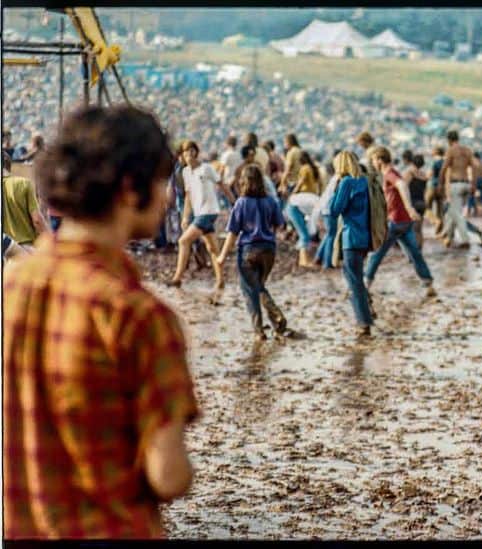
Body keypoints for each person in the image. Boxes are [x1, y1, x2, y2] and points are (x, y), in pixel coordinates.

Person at [3, 105, 198, 539]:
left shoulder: (14, 285)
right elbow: (168, 475)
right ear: (130, 188)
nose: (166, 198)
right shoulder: (140, 316)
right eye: (161, 182)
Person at [215, 164, 293, 341]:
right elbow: (279, 224)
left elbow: (233, 233)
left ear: (244, 181)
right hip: (269, 250)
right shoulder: (271, 201)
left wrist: (222, 256)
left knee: (251, 290)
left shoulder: (241, 203)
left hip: (248, 251)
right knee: (259, 286)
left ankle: (260, 330)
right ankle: (276, 322)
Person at [365, 146, 436, 297]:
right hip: (404, 223)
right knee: (414, 253)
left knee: (377, 253)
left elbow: (402, 186)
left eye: (373, 160)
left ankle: (365, 284)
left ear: (380, 159)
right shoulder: (393, 172)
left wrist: (409, 208)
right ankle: (428, 282)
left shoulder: (390, 173)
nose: (373, 163)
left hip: (394, 221)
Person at [167, 141, 225, 290]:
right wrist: (186, 216)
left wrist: (235, 202)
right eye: (186, 153)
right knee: (213, 249)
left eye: (192, 152)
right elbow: (188, 196)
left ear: (196, 153)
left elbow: (221, 184)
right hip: (199, 212)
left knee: (183, 241)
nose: (189, 155)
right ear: (182, 156)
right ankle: (220, 280)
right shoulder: (186, 172)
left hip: (209, 211)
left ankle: (177, 278)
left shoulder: (206, 168)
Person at [328, 151, 373, 339]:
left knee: (353, 281)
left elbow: (334, 209)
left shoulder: (346, 182)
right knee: (357, 278)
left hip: (350, 237)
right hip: (365, 236)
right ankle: (366, 312)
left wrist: (336, 187)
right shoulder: (364, 181)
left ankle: (363, 322)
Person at [2, 151, 48, 249]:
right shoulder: (23, 183)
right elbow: (37, 220)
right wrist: (50, 238)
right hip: (25, 248)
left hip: (4, 248)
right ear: (8, 165)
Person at [285, 150, 321, 268]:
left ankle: (303, 259)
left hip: (301, 199)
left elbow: (300, 183)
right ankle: (304, 260)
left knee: (304, 233)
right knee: (304, 234)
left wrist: (293, 193)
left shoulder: (305, 168)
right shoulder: (312, 168)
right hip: (300, 202)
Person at [439, 130, 474, 248]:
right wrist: (473, 184)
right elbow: (473, 167)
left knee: (456, 213)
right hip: (466, 184)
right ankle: (447, 235)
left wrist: (440, 184)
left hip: (456, 184)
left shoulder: (451, 150)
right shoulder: (467, 150)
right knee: (452, 211)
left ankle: (465, 239)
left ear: (449, 140)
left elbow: (444, 168)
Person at [425, 146, 446, 232]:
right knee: (440, 210)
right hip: (442, 187)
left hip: (432, 186)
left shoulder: (433, 161)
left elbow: (429, 174)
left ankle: (435, 221)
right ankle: (439, 231)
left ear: (436, 152)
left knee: (426, 208)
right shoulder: (445, 162)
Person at [279, 133, 302, 198]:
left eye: (285, 142)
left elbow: (287, 170)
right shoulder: (300, 151)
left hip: (292, 182)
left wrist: (282, 184)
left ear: (288, 142)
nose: (284, 144)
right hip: (299, 181)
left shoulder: (291, 152)